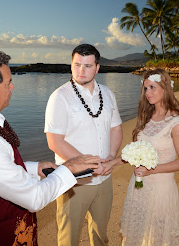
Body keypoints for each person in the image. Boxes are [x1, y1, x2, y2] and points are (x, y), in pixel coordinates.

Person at [0, 49, 101, 245]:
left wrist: (35, 168)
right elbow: (34, 198)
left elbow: (0, 167)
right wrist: (70, 168)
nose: (13, 87)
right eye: (8, 83)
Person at [44, 44, 123, 246]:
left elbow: (116, 128)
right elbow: (55, 141)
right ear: (71, 65)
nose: (81, 70)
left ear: (97, 68)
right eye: (77, 65)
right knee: (68, 238)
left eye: (87, 66)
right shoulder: (59, 97)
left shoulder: (107, 93)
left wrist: (112, 157)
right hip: (74, 181)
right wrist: (92, 165)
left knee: (100, 235)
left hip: (105, 180)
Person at [105, 68, 179, 245]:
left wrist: (152, 170)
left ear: (165, 89)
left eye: (152, 87)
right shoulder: (147, 116)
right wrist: (113, 162)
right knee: (137, 233)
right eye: (145, 88)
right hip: (138, 188)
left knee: (155, 237)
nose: (147, 93)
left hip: (160, 189)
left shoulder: (176, 124)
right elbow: (136, 152)